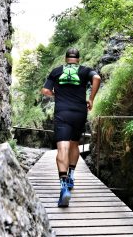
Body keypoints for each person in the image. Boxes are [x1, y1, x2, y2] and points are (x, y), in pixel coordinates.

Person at [41, 48, 101, 207]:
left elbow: (45, 90)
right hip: (79, 113)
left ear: (66, 58)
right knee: (75, 144)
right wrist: (91, 98)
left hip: (62, 113)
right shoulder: (85, 70)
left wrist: (56, 95)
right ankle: (72, 175)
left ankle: (64, 188)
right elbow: (97, 78)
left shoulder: (56, 71)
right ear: (78, 59)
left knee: (63, 148)